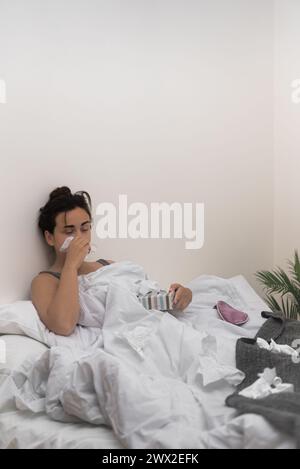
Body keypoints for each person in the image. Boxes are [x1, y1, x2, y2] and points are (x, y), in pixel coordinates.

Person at [31, 186, 192, 336]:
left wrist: (180, 297)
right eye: (69, 231)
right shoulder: (45, 281)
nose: (80, 237)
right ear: (50, 237)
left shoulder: (107, 265)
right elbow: (64, 325)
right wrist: (71, 266)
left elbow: (143, 299)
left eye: (85, 228)